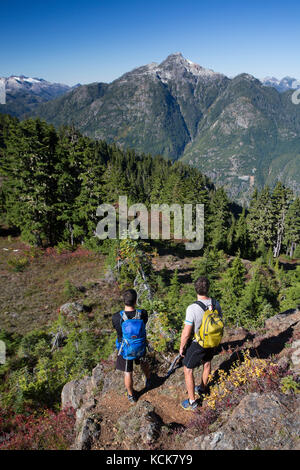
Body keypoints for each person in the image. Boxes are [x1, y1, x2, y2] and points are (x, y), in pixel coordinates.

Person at [179, 276, 223, 410]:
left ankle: (192, 402)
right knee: (207, 363)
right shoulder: (216, 303)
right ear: (208, 288)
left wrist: (182, 347)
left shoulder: (192, 308)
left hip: (199, 343)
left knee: (187, 369)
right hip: (213, 340)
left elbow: (186, 333)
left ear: (195, 289)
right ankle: (203, 388)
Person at [112, 288, 151, 403]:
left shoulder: (116, 317)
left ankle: (131, 395)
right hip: (141, 345)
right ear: (135, 301)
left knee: (128, 372)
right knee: (144, 362)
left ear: (124, 301)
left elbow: (118, 331)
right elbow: (144, 324)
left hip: (126, 348)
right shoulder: (142, 313)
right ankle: (148, 380)